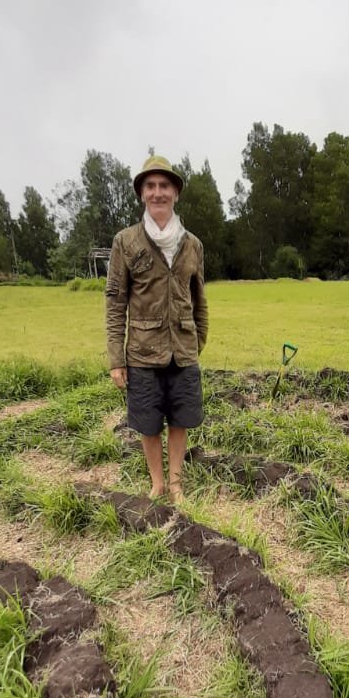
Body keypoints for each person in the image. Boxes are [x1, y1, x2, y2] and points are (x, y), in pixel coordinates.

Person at [105, 154, 208, 503]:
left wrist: (197, 342)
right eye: (150, 186)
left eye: (164, 185)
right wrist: (116, 359)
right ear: (142, 194)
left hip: (183, 350)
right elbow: (115, 302)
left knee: (179, 420)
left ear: (175, 193)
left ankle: (176, 483)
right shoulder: (126, 242)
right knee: (149, 424)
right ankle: (158, 484)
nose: (158, 192)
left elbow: (200, 300)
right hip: (142, 353)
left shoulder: (192, 244)